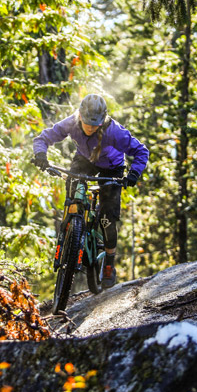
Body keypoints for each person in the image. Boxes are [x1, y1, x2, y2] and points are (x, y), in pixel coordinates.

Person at [33, 94, 149, 289]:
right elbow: (43, 138)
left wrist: (133, 174)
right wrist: (40, 155)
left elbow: (141, 151)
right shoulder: (72, 122)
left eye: (95, 124)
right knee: (73, 186)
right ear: (80, 115)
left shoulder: (114, 131)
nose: (90, 127)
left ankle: (110, 262)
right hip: (85, 161)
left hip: (112, 168)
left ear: (102, 120)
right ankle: (72, 227)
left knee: (107, 218)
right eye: (87, 122)